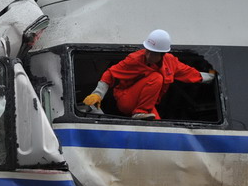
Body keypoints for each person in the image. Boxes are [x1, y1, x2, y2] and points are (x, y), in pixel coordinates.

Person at [82, 29, 215, 120]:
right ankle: (140, 112)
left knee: (157, 127)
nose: (149, 55)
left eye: (154, 53)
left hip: (147, 104)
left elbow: (190, 73)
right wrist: (97, 94)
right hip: (126, 100)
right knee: (156, 78)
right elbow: (110, 74)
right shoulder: (134, 59)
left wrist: (213, 76)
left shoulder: (171, 62)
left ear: (163, 54)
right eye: (148, 50)